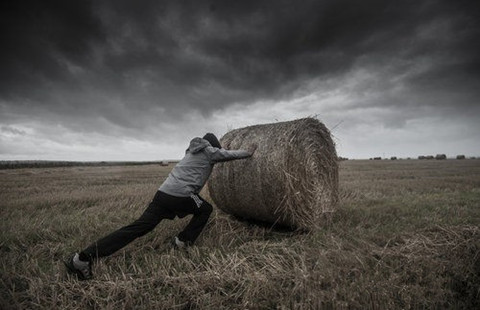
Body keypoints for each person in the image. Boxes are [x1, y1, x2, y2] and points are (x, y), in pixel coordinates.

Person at [65, 133, 255, 280]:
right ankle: (182, 241)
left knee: (138, 228)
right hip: (183, 194)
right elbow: (229, 155)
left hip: (162, 194)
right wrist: (251, 152)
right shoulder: (209, 151)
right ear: (212, 145)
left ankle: (81, 258)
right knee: (205, 209)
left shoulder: (190, 152)